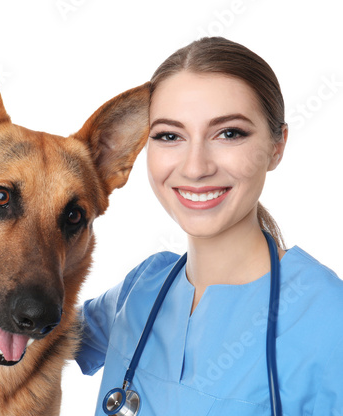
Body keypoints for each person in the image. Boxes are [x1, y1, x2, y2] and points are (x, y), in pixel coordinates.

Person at [75, 37, 343, 415]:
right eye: (170, 136)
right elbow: (25, 333)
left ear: (277, 146)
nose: (196, 167)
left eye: (229, 133)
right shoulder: (143, 287)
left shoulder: (330, 318)